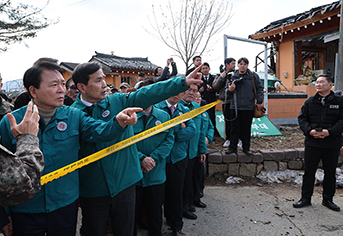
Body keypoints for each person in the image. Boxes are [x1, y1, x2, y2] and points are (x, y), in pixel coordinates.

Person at [0, 62, 142, 235]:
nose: (62, 90)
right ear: (33, 91)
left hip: (64, 205)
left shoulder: (74, 115)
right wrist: (3, 216)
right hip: (25, 209)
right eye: (54, 85)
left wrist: (118, 122)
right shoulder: (11, 122)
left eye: (62, 83)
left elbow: (99, 131)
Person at [71, 62, 203, 236]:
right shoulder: (72, 114)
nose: (104, 84)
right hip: (94, 188)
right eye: (98, 81)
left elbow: (147, 93)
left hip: (125, 183)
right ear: (82, 87)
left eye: (104, 78)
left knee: (126, 230)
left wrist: (181, 83)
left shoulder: (117, 101)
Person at [294, 74, 343, 212]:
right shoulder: (310, 101)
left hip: (331, 143)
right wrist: (310, 131)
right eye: (317, 82)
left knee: (330, 173)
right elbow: (302, 118)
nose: (318, 84)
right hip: (312, 142)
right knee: (309, 172)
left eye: (321, 82)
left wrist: (330, 132)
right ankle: (305, 198)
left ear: (330, 85)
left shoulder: (339, 101)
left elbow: (342, 121)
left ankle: (328, 200)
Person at [133, 78, 174, 236]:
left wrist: (153, 159)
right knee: (131, 215)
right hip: (133, 175)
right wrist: (141, 158)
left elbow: (169, 140)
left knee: (155, 212)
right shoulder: (129, 116)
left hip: (156, 174)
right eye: (143, 92)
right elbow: (123, 142)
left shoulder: (163, 116)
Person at [155, 93, 196, 236]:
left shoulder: (184, 110)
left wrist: (174, 133)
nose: (176, 95)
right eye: (173, 91)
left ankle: (176, 226)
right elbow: (157, 134)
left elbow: (192, 130)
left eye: (180, 92)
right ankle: (155, 227)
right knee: (157, 197)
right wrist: (179, 127)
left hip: (178, 158)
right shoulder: (157, 108)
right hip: (161, 159)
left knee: (176, 194)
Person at [224, 57, 263, 156]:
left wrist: (259, 101)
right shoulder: (232, 76)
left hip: (248, 106)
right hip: (235, 106)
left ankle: (246, 148)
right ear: (237, 65)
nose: (242, 66)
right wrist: (230, 89)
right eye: (240, 64)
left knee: (246, 129)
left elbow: (260, 89)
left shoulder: (253, 76)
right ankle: (232, 148)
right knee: (234, 129)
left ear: (247, 65)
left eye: (245, 64)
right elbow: (226, 92)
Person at [179, 84, 207, 220]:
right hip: (179, 153)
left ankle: (187, 205)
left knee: (190, 181)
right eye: (189, 89)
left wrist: (202, 150)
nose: (192, 93)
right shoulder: (176, 107)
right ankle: (178, 210)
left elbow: (201, 131)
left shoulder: (197, 109)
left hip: (193, 152)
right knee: (179, 184)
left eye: (195, 91)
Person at [212, 57, 236, 147]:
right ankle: (228, 139)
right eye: (232, 63)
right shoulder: (220, 75)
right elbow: (215, 87)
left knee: (237, 121)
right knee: (228, 120)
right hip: (225, 101)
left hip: (236, 101)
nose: (234, 65)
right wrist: (223, 76)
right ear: (227, 64)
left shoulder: (236, 74)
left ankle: (237, 139)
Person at [199, 62, 218, 136]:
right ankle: (204, 133)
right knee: (203, 117)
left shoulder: (214, 78)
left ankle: (213, 134)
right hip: (202, 101)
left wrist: (212, 89)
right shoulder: (199, 79)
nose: (205, 70)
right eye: (203, 68)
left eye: (206, 68)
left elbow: (217, 88)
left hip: (211, 100)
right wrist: (199, 91)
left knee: (212, 117)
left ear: (209, 69)